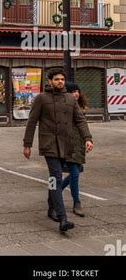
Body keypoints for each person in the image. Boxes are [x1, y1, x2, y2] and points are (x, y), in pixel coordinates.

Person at [23, 67, 93, 234]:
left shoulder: (70, 99)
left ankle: (50, 207)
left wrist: (87, 138)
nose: (60, 82)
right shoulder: (41, 98)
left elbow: (80, 120)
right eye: (57, 79)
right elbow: (32, 122)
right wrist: (27, 144)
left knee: (55, 179)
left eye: (62, 79)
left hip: (67, 144)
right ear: (50, 81)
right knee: (55, 176)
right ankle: (62, 218)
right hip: (50, 145)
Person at [62, 82, 89, 217]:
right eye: (73, 91)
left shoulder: (80, 107)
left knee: (75, 172)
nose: (76, 94)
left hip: (79, 144)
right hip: (69, 143)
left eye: (78, 91)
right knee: (75, 173)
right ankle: (76, 202)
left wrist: (87, 140)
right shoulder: (65, 107)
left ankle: (55, 191)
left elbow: (83, 126)